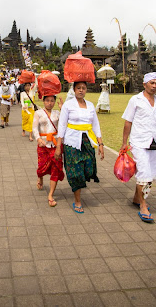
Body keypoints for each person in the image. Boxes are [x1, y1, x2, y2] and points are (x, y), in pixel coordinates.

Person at [120, 72, 156, 224]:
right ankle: (143, 206)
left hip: (153, 143)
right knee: (144, 174)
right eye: (152, 83)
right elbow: (127, 122)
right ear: (144, 84)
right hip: (138, 142)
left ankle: (137, 198)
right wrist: (125, 143)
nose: (155, 86)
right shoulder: (135, 100)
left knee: (151, 174)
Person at [55, 81, 104, 213]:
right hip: (71, 142)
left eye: (83, 88)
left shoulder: (90, 105)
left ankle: (81, 182)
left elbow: (96, 125)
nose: (81, 90)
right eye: (78, 88)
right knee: (75, 171)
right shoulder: (68, 105)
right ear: (74, 89)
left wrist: (100, 143)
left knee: (88, 168)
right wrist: (59, 146)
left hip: (87, 140)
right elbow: (62, 126)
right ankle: (77, 200)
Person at [33, 95, 64, 207]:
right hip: (43, 145)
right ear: (43, 101)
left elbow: (64, 124)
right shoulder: (38, 113)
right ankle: (40, 177)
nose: (50, 103)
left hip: (56, 145)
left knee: (56, 168)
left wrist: (62, 108)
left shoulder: (58, 113)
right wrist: (38, 138)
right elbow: (34, 128)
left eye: (52, 101)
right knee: (41, 167)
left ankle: (51, 194)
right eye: (47, 101)